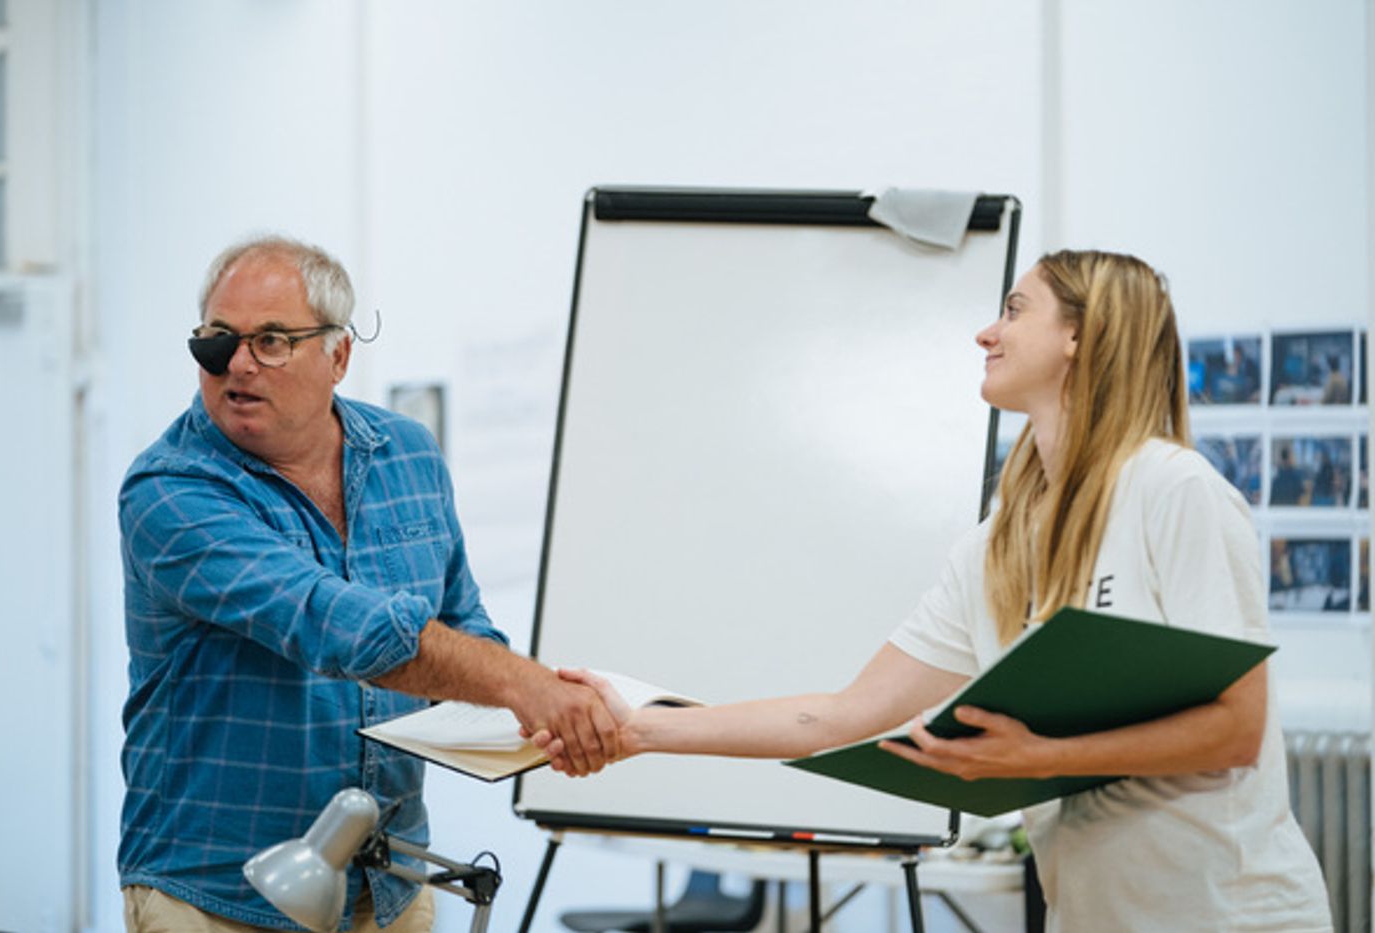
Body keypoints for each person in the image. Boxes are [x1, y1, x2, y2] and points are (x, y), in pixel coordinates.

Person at [538, 251, 1332, 932]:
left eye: (1015, 310)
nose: (987, 331)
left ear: (1078, 336)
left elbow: (1236, 726)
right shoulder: (995, 545)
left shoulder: (1173, 488)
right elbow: (842, 715)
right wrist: (641, 729)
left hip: (1231, 913)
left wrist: (1039, 758)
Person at [118, 236, 618, 932]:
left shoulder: (408, 454)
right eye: (218, 340)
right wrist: (522, 684)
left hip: (385, 887)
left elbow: (462, 621)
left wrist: (544, 713)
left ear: (339, 355)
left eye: (269, 341)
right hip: (219, 897)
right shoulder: (170, 491)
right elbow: (332, 621)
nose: (236, 365)